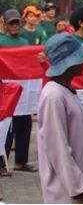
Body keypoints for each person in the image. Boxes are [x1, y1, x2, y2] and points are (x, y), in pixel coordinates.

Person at [37, 33, 83, 203]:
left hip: (78, 187)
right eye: (79, 58)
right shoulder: (53, 96)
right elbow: (58, 147)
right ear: (69, 63)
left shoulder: (65, 91)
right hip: (66, 193)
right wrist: (78, 190)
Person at [0, 9, 36, 177]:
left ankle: (21, 161)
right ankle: (2, 162)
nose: (14, 26)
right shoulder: (1, 41)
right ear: (5, 24)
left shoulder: (25, 42)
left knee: (24, 125)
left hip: (23, 91)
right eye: (11, 23)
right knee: (6, 127)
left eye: (16, 23)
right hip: (6, 90)